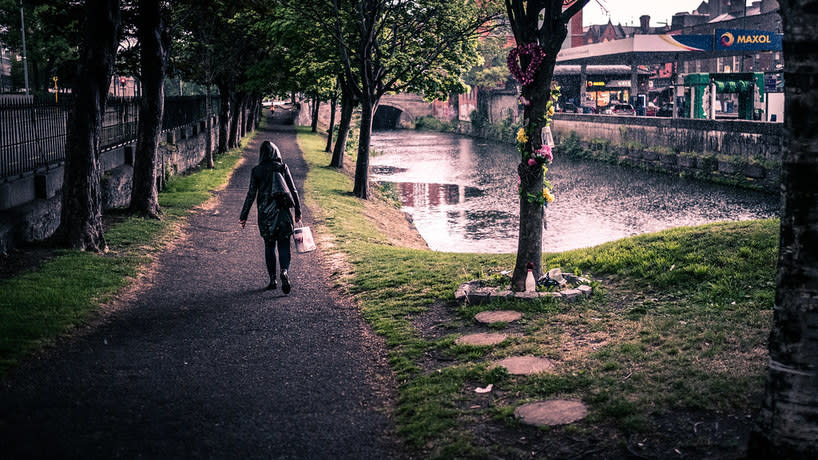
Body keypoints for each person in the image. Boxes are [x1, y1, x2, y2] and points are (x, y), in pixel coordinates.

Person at [239, 140, 302, 293]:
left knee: (269, 246)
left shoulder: (257, 171)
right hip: (283, 213)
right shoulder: (282, 167)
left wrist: (244, 216)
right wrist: (298, 211)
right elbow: (293, 191)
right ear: (276, 153)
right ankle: (284, 271)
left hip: (266, 214)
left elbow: (251, 195)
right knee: (284, 245)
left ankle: (273, 279)